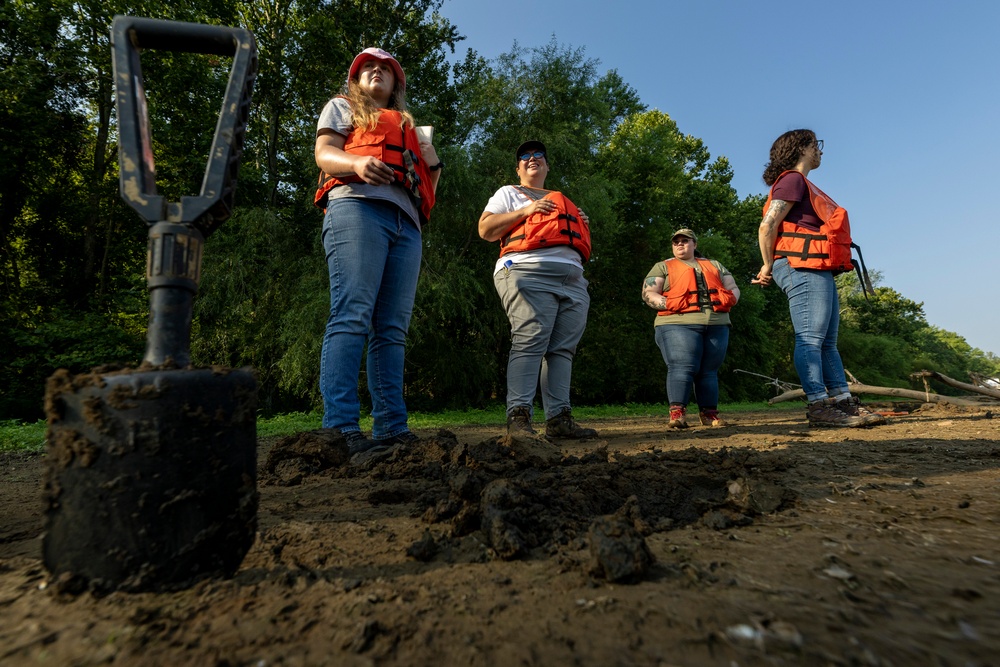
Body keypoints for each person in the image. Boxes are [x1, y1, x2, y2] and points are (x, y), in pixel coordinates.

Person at [313, 47, 442, 455]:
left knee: (392, 329)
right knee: (352, 314)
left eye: (386, 69)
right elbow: (324, 154)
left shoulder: (410, 128)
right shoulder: (341, 107)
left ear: (396, 84)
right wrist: (357, 163)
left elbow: (428, 186)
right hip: (357, 206)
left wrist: (432, 162)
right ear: (356, 79)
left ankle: (391, 427)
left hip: (407, 223)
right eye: (368, 67)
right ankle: (340, 429)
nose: (376, 71)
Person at [752, 129, 884, 427]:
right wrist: (767, 264)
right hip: (801, 266)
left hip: (813, 267)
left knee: (827, 343)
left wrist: (768, 266)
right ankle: (818, 405)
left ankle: (842, 403)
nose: (821, 150)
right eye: (816, 145)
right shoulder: (792, 180)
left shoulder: (800, 183)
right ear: (802, 149)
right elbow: (767, 225)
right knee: (811, 339)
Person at [478, 140, 598, 439]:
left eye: (539, 155)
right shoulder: (508, 193)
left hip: (573, 280)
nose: (532, 159)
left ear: (547, 165)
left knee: (562, 350)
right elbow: (486, 229)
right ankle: (518, 417)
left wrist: (581, 223)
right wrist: (528, 209)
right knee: (530, 340)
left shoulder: (564, 201)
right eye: (525, 157)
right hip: (526, 271)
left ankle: (559, 419)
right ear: (518, 168)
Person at [641, 229, 739, 428]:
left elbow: (733, 287)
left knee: (709, 371)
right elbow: (649, 292)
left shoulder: (715, 265)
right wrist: (668, 304)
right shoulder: (663, 267)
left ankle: (709, 415)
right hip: (677, 323)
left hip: (716, 324)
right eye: (676, 241)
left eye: (684, 241)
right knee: (682, 366)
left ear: (694, 244)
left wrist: (731, 299)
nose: (679, 244)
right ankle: (677, 414)